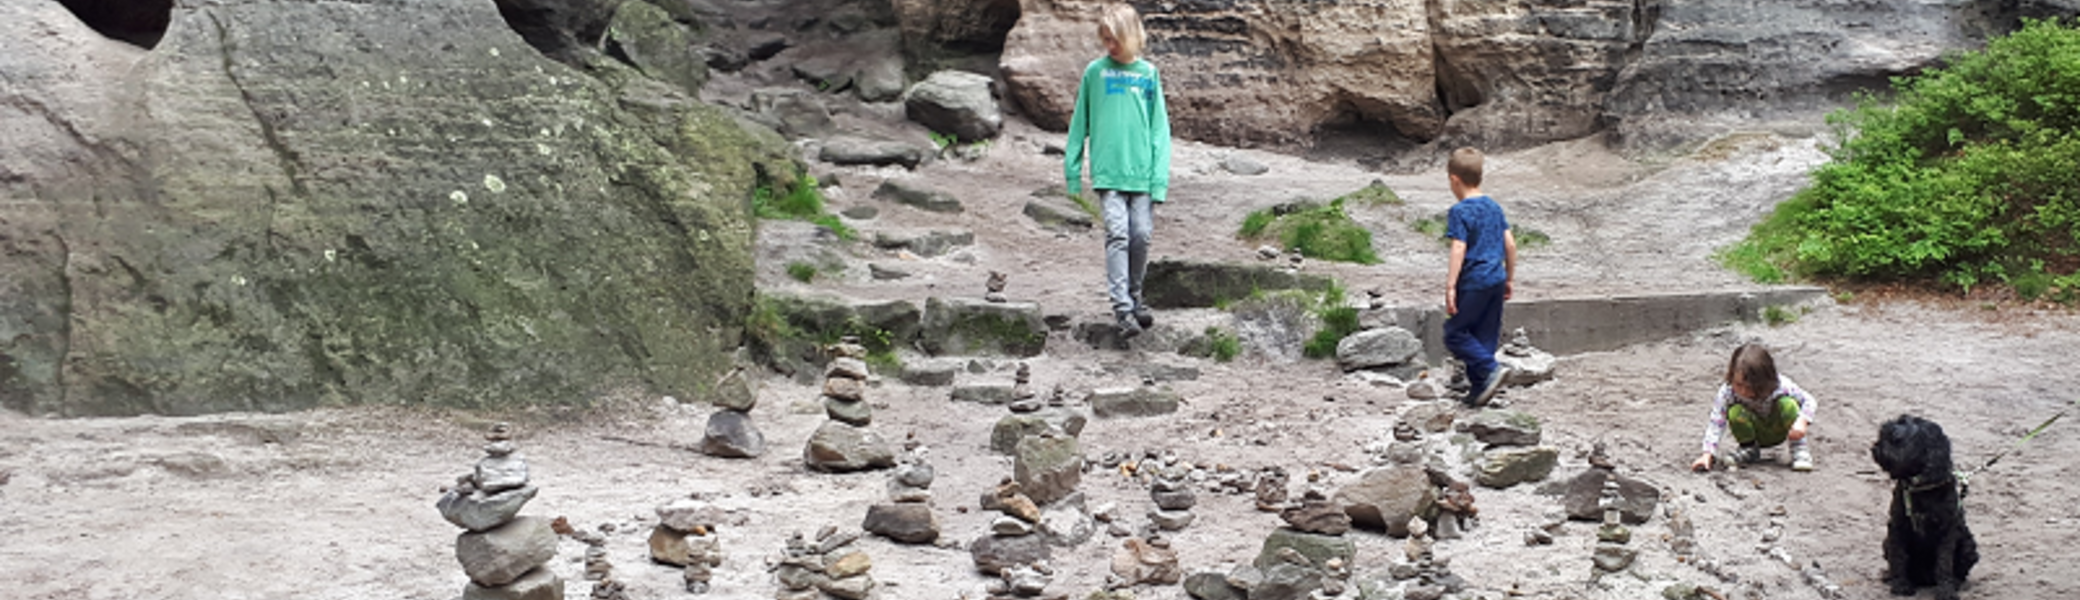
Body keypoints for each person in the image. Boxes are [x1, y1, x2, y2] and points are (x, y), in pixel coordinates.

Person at [1064, 3, 1171, 338]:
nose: (1109, 47)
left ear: (1131, 36)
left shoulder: (1148, 74)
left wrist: (1159, 180)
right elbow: (1080, 121)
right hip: (1108, 173)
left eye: (1115, 40)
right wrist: (1073, 170)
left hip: (1141, 174)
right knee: (1117, 234)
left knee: (1141, 234)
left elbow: (1159, 130)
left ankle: (1135, 297)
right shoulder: (1096, 72)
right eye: (1105, 40)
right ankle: (1122, 310)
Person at [1442, 147, 1518, 407]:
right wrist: (1509, 278)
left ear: (1454, 179)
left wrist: (1451, 286)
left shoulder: (1460, 211)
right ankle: (1480, 389)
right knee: (1485, 334)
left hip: (1474, 280)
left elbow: (1459, 247)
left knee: (1455, 333)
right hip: (1496, 278)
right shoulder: (1494, 207)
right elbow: (1510, 245)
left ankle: (1491, 368)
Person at [1690, 343, 1818, 472]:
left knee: (1788, 404)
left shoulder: (1781, 386)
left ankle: (1799, 450)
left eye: (1751, 387)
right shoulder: (1727, 392)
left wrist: (1802, 422)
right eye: (1738, 384)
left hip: (1781, 429)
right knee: (1735, 412)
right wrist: (1707, 454)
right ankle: (1749, 449)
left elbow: (1809, 401)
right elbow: (1716, 422)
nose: (1743, 391)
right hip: (1753, 431)